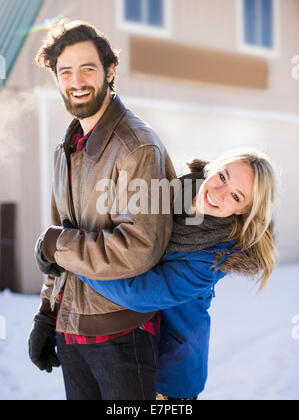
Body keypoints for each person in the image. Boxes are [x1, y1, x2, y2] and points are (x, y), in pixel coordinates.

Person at [28, 19, 176, 400]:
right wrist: (48, 315)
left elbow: (141, 247)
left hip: (123, 337)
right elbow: (61, 243)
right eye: (66, 72)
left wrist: (57, 245)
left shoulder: (139, 147)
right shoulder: (67, 148)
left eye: (88, 68)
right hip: (72, 332)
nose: (77, 81)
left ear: (110, 71)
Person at [74, 149, 278, 399]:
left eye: (235, 196)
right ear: (213, 168)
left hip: (171, 376)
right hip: (128, 350)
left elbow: (139, 292)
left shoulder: (214, 257)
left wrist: (71, 258)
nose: (218, 192)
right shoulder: (169, 192)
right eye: (223, 177)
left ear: (242, 211)